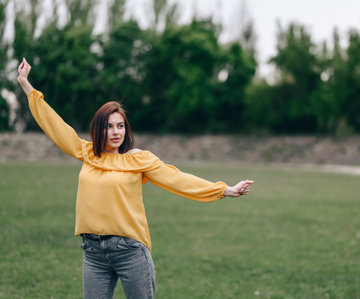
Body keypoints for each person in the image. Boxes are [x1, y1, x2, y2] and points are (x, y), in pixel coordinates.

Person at [17, 58, 253, 299]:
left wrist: (224, 190)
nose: (116, 132)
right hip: (93, 252)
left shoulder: (138, 159)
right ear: (100, 129)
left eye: (120, 126)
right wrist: (26, 84)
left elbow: (178, 179)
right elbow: (55, 126)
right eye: (110, 126)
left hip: (130, 251)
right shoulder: (87, 153)